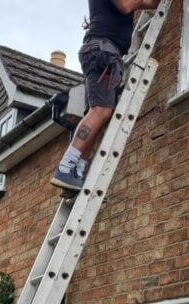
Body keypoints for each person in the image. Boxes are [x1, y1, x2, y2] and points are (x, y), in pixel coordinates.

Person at [51, 0, 161, 191]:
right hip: (103, 52)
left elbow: (148, 2)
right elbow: (126, 5)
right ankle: (66, 167)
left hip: (103, 52)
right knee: (100, 111)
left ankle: (77, 172)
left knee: (99, 116)